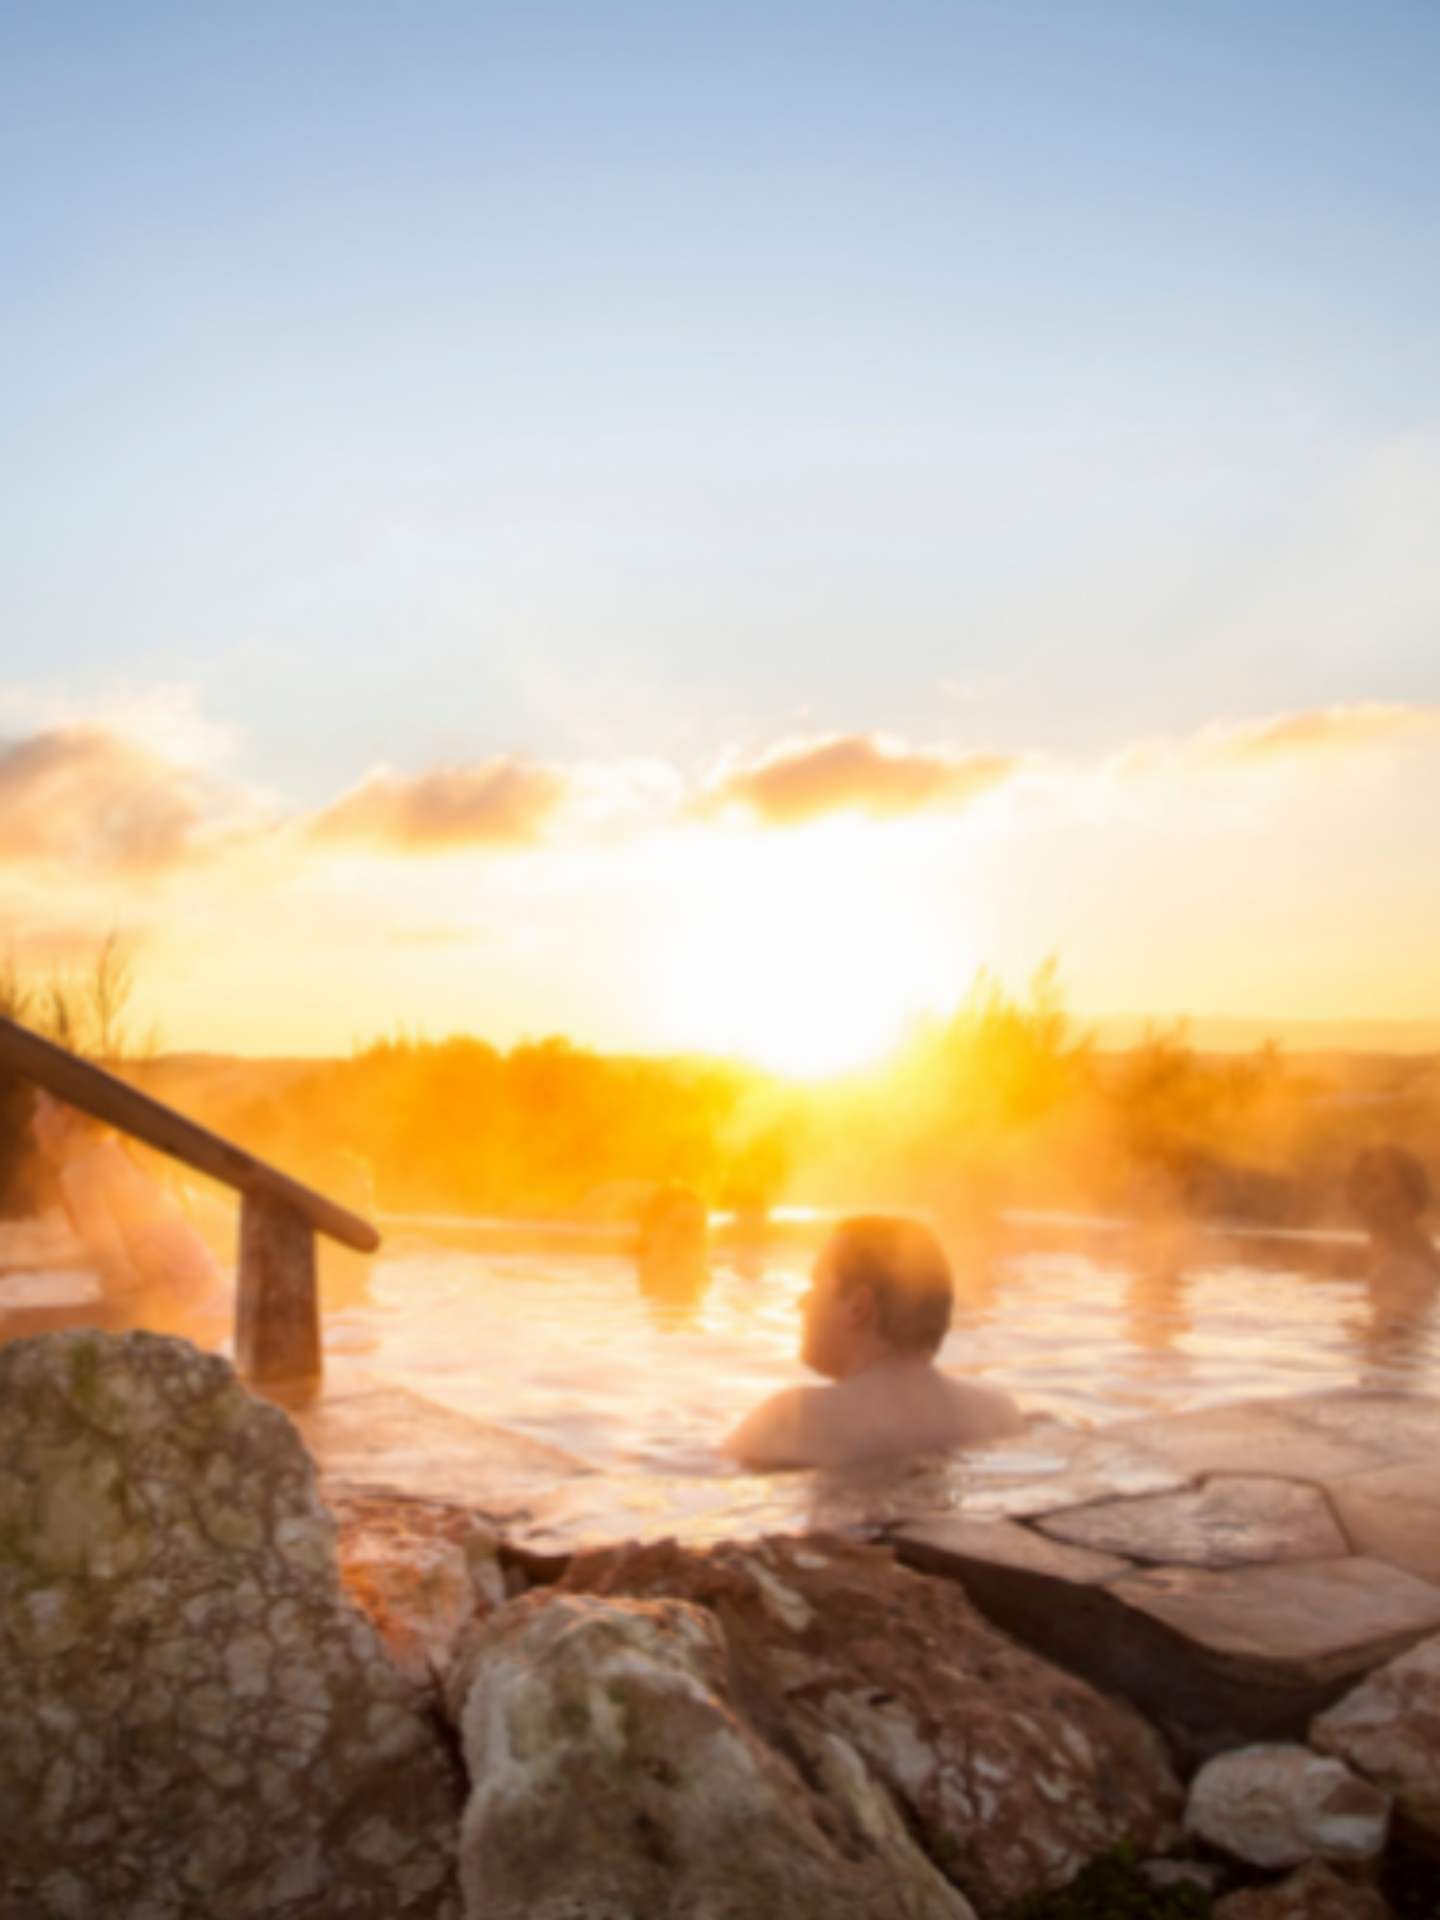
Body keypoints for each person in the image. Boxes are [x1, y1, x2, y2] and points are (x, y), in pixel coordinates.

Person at [723, 1214, 1021, 1470]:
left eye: (815, 1283)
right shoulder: (998, 1414)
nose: (801, 1302)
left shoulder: (790, 1422)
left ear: (858, 1306)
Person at [30, 1090, 230, 1341]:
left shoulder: (81, 1173)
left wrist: (30, 1321)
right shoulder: (123, 1152)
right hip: (224, 1303)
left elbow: (120, 1280)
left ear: (66, 1114)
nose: (32, 1121)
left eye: (37, 1107)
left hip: (202, 1317)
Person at [1346, 1145, 1440, 1342]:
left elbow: (1400, 1328)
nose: (1362, 1193)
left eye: (1374, 1182)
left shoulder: (1400, 1267)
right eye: (1362, 1182)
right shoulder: (1413, 1253)